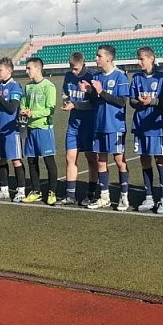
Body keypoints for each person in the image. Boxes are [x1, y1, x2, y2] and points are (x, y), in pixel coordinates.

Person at [86, 44, 131, 211]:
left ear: (108, 58)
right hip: (99, 125)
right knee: (101, 160)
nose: (96, 58)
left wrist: (101, 92)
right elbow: (93, 102)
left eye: (99, 56)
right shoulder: (96, 76)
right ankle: (104, 197)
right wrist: (89, 91)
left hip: (115, 126)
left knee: (119, 160)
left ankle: (124, 197)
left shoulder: (120, 76)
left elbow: (121, 102)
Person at [130, 46, 163, 214]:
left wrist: (152, 101)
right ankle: (149, 197)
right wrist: (140, 102)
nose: (139, 62)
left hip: (157, 126)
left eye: (142, 59)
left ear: (151, 58)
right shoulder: (136, 77)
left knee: (160, 160)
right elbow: (132, 101)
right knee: (144, 160)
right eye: (138, 59)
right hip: (140, 125)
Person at [59, 51, 98, 205]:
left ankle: (91, 193)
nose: (73, 71)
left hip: (89, 124)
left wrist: (75, 105)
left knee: (91, 158)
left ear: (83, 64)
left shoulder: (92, 76)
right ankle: (70, 195)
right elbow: (65, 94)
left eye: (75, 68)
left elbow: (94, 103)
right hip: (73, 124)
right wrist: (66, 101)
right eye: (71, 68)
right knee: (70, 158)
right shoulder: (68, 76)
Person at [19, 57, 58, 205]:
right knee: (31, 160)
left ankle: (52, 192)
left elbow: (50, 109)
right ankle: (36, 191)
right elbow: (23, 103)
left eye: (29, 68)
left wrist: (33, 113)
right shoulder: (28, 87)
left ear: (38, 68)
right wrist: (23, 110)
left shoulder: (48, 86)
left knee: (49, 160)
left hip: (43, 128)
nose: (26, 71)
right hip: (31, 128)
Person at [0, 57, 26, 201]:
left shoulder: (15, 86)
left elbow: (12, 108)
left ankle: (21, 190)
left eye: (0, 70)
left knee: (15, 160)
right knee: (1, 160)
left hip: (11, 130)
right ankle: (4, 190)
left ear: (9, 71)